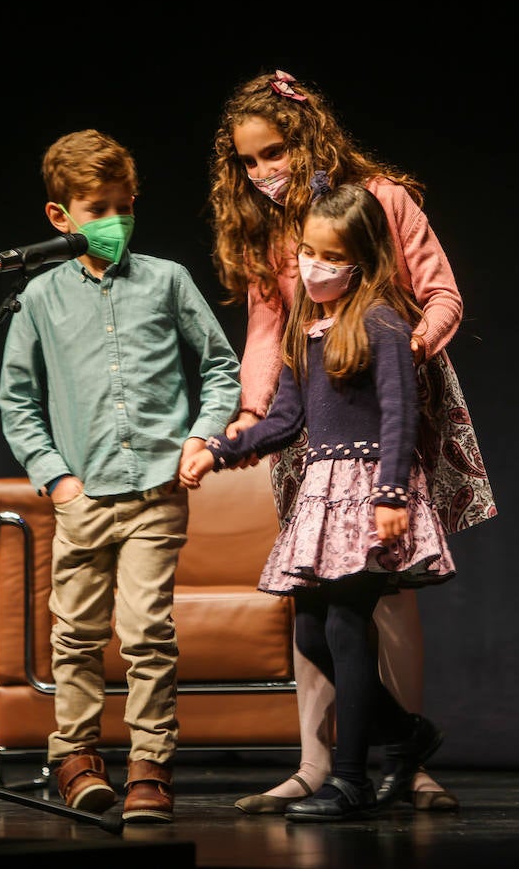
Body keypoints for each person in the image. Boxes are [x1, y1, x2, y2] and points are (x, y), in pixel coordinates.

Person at [206, 67, 496, 814]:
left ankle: (405, 765)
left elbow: (443, 295)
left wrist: (391, 354)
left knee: (381, 593)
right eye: (249, 160)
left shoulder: (382, 201)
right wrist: (249, 414)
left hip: (383, 408)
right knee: (314, 590)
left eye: (275, 152)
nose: (264, 171)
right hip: (313, 408)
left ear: (307, 137)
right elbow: (268, 329)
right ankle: (318, 761)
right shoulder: (271, 230)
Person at [180, 182, 456, 821]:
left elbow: (399, 414)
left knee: (344, 626)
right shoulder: (308, 330)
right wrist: (219, 451)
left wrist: (391, 495)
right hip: (321, 491)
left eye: (329, 255)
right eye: (306, 250)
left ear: (361, 259)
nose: (312, 265)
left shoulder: (383, 323)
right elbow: (286, 419)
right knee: (310, 634)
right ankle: (406, 734)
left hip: (368, 492)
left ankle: (352, 779)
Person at [0, 128, 242, 824]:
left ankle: (149, 767)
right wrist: (57, 478)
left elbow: (219, 368)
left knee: (146, 633)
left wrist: (199, 437)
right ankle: (74, 756)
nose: (110, 222)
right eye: (93, 209)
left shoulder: (166, 280)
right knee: (73, 634)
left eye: (119, 206)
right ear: (59, 217)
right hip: (82, 495)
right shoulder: (40, 298)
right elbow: (18, 399)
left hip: (156, 491)